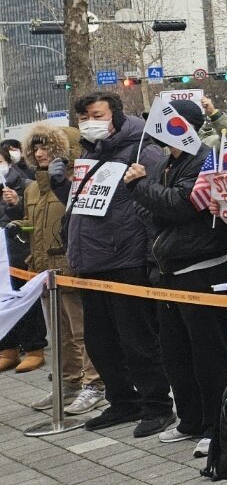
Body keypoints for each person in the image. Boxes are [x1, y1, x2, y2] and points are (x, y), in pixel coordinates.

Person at [125, 99, 227, 459]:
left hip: (201, 269)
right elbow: (155, 209)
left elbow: (181, 204)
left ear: (183, 126)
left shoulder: (206, 158)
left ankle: (216, 424)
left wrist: (141, 186)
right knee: (175, 351)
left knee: (209, 353)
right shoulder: (167, 163)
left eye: (162, 123)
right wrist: (148, 193)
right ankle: (190, 418)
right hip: (168, 269)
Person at [66, 92, 174, 437]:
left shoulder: (143, 150)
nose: (90, 123)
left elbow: (156, 203)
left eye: (96, 115)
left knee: (137, 340)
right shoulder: (88, 152)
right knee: (100, 341)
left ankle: (157, 406)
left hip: (126, 260)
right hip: (91, 261)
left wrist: (148, 257)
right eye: (84, 118)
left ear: (116, 115)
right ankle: (122, 401)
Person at [18, 123, 103, 412]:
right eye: (36, 148)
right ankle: (69, 383)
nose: (41, 153)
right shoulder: (32, 187)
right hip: (43, 271)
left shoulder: (75, 182)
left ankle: (95, 384)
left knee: (83, 332)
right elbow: (37, 228)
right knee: (59, 334)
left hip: (70, 267)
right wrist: (17, 222)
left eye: (47, 147)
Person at [0, 137, 43, 375]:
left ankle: (34, 348)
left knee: (25, 298)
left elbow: (30, 217)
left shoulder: (25, 184)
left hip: (17, 251)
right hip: (0, 258)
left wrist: (15, 203)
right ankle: (7, 349)